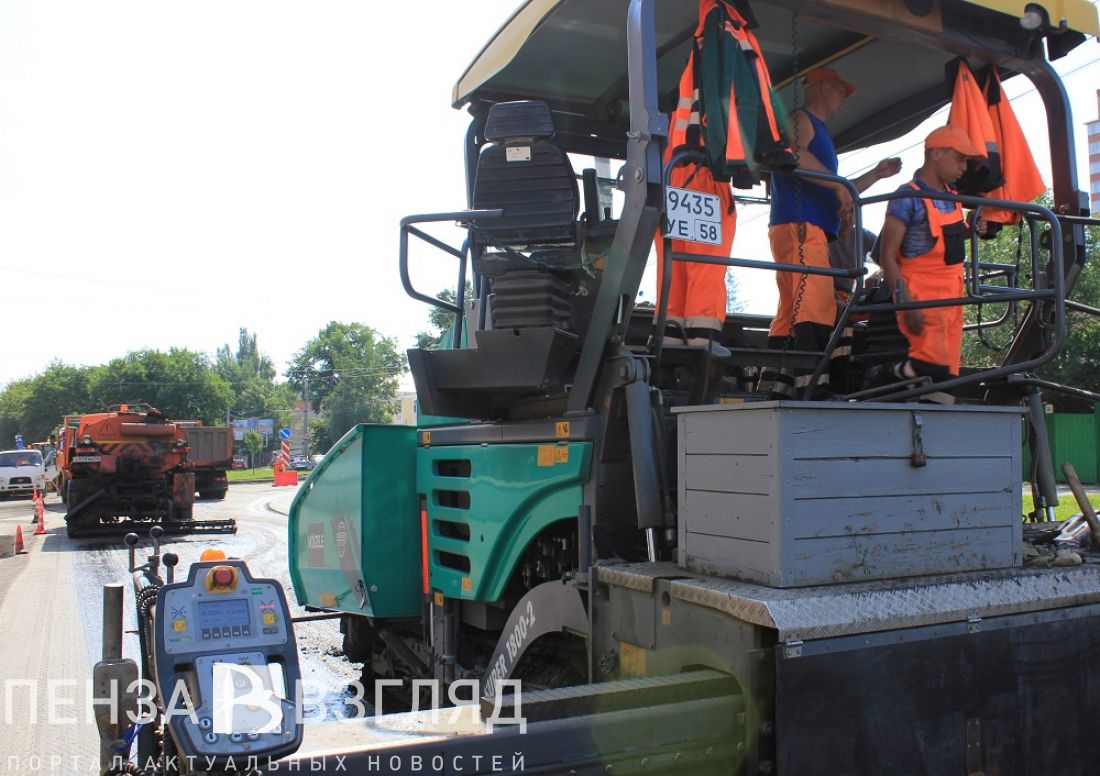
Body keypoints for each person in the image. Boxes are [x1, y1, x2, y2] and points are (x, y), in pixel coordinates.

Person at [760, 67, 901, 398]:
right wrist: (840, 187)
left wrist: (874, 176)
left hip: (808, 229)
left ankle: (777, 385)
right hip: (800, 226)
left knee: (792, 308)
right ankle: (813, 386)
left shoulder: (819, 131)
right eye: (841, 92)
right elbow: (794, 154)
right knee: (814, 305)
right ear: (825, 88)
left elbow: (839, 188)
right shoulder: (801, 119)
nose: (845, 100)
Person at [870, 125, 986, 394]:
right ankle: (884, 375)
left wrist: (974, 228)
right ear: (936, 154)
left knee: (946, 378)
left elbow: (948, 239)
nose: (964, 167)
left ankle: (937, 415)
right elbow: (887, 256)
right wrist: (907, 302)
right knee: (929, 366)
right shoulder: (907, 196)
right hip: (921, 291)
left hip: (953, 293)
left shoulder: (952, 197)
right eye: (959, 159)